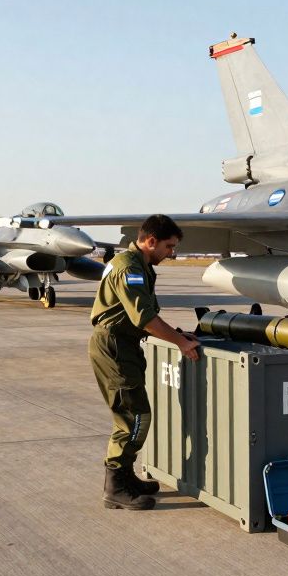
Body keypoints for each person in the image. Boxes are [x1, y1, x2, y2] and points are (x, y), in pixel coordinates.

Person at [89, 214, 201, 510]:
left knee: (133, 414)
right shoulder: (130, 268)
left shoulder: (135, 264)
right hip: (114, 346)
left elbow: (140, 316)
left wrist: (177, 333)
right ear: (151, 241)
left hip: (123, 344)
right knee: (135, 416)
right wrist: (181, 343)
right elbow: (144, 317)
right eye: (169, 246)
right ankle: (115, 486)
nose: (171, 253)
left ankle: (125, 478)